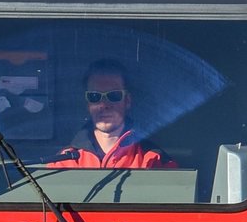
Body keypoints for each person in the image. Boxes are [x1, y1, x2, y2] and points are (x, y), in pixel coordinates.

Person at [46, 60, 177, 169]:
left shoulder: (153, 159)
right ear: (88, 104)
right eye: (95, 96)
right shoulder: (64, 161)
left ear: (127, 101)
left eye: (113, 95)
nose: (104, 104)